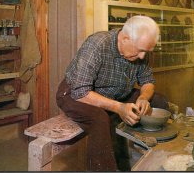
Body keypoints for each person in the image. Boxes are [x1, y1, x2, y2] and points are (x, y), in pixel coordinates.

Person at [56, 16, 171, 171]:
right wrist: (118, 108)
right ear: (124, 38)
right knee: (100, 119)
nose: (143, 56)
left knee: (158, 101)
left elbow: (148, 81)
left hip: (115, 93)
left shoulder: (140, 49)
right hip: (76, 94)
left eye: (146, 51)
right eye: (141, 50)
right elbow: (81, 91)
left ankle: (152, 159)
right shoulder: (97, 44)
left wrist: (143, 98)